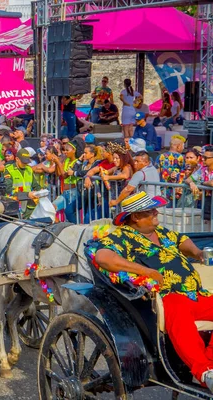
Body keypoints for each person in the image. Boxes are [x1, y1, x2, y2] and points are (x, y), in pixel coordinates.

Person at [88, 191, 213, 392]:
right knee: (179, 313)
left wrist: (197, 252)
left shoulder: (162, 232)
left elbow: (182, 241)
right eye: (151, 211)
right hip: (167, 297)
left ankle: (209, 362)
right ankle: (205, 371)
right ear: (136, 217)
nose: (157, 213)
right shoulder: (122, 237)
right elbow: (103, 257)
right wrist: (144, 270)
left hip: (195, 293)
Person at [3, 148, 40, 218]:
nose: (25, 164)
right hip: (15, 206)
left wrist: (41, 190)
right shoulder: (9, 170)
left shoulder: (29, 169)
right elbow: (8, 190)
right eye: (23, 162)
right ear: (17, 159)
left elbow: (35, 185)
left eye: (27, 162)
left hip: (28, 206)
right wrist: (27, 194)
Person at [51, 142, 80, 223]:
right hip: (64, 192)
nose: (65, 152)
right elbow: (58, 174)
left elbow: (64, 176)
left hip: (73, 192)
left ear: (74, 150)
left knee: (69, 213)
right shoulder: (66, 160)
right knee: (51, 208)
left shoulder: (77, 162)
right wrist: (57, 163)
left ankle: (75, 229)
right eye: (64, 150)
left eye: (67, 150)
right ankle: (59, 225)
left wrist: (58, 162)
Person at [156, 135, 186, 202]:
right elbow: (184, 172)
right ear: (178, 146)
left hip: (162, 189)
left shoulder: (160, 156)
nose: (183, 148)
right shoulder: (182, 158)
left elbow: (156, 171)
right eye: (182, 146)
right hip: (176, 190)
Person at [188, 145, 213, 220]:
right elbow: (188, 179)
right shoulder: (202, 169)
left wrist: (202, 183)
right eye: (202, 157)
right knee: (207, 226)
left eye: (205, 158)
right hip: (207, 201)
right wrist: (191, 183)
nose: (203, 159)